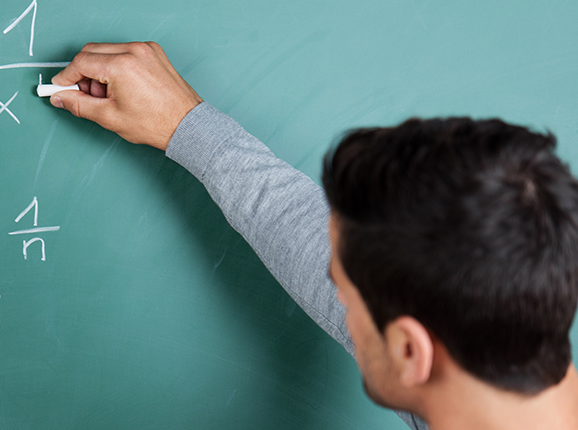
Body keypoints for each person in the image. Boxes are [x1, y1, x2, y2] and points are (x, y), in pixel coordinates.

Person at [46, 42, 578, 430]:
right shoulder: (493, 361)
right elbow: (309, 241)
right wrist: (190, 128)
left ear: (411, 351)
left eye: (343, 294)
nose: (334, 298)